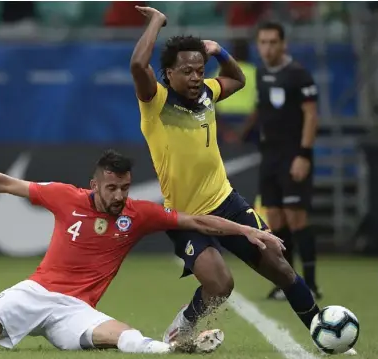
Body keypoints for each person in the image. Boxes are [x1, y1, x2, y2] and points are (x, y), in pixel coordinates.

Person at [0, 149, 283, 354]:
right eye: (112, 187)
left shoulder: (140, 214)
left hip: (76, 310)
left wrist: (251, 233)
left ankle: (169, 349)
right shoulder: (64, 196)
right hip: (36, 293)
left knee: (119, 336)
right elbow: (1, 183)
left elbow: (200, 221)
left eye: (125, 188)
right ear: (95, 184)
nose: (119, 196)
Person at [129, 5, 322, 352]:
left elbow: (238, 79)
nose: (194, 77)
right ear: (168, 73)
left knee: (279, 265)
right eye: (186, 71)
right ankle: (182, 326)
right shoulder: (155, 102)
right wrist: (157, 22)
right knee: (220, 285)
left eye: (199, 70)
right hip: (187, 217)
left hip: (227, 202)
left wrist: (220, 52)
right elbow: (136, 66)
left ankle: (323, 331)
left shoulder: (207, 92)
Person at [238, 22, 321, 301]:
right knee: (274, 218)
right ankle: (289, 282)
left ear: (283, 44)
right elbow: (262, 111)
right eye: (263, 42)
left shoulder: (298, 74)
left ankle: (310, 283)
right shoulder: (260, 74)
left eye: (273, 42)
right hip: (270, 157)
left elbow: (311, 115)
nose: (268, 48)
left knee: (296, 217)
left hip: (292, 154)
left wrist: (304, 154)